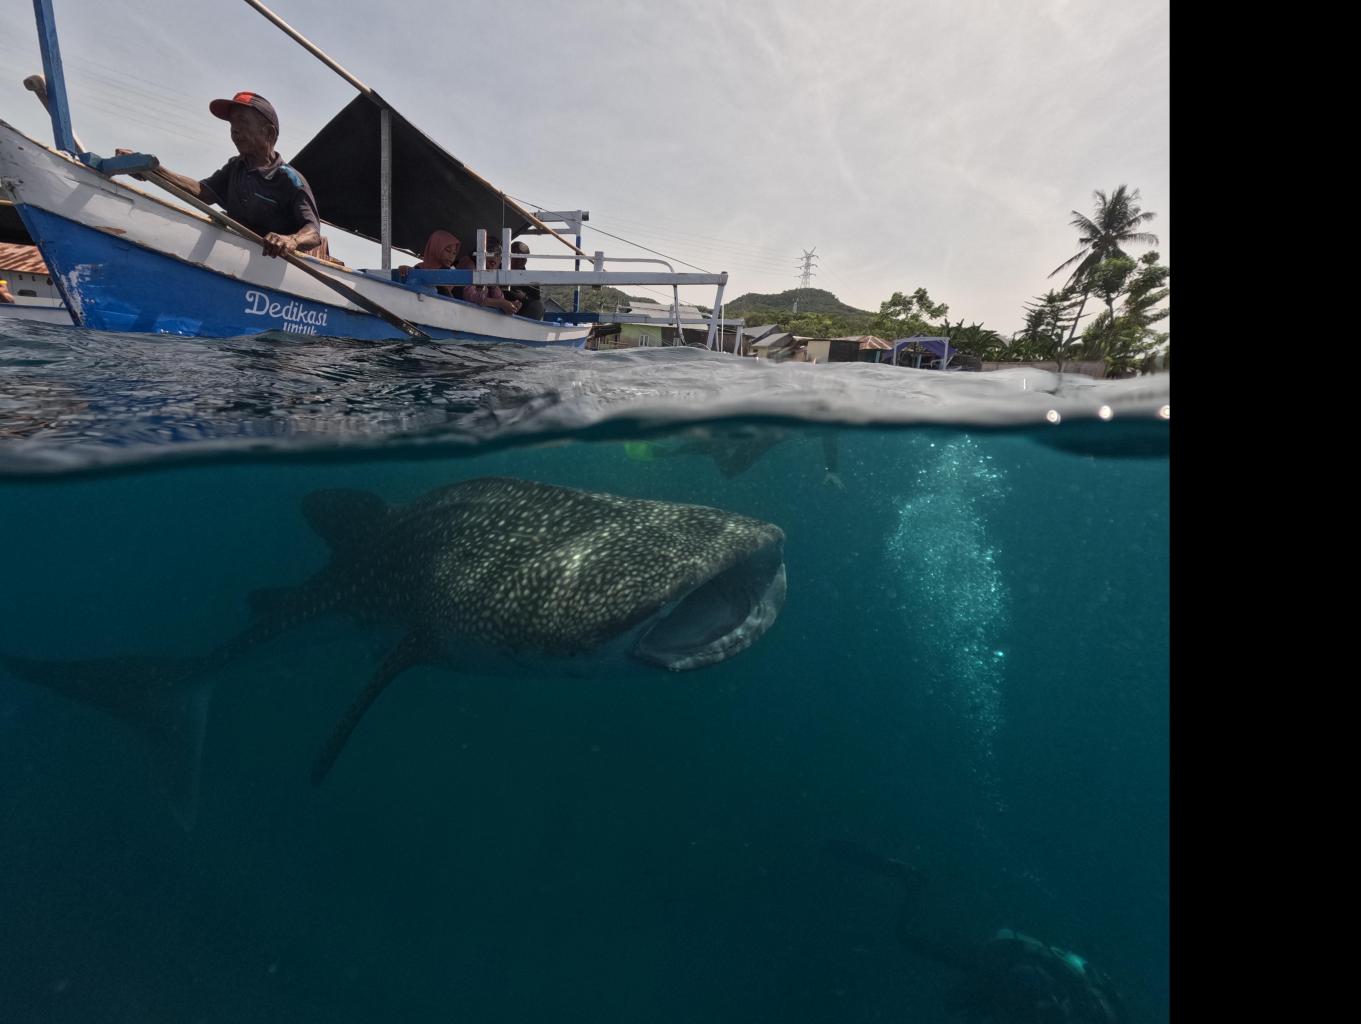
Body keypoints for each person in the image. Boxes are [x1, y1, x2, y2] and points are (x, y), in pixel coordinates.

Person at [825, 840, 1129, 1023]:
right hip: (998, 964)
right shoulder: (1068, 1007)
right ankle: (911, 880)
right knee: (910, 937)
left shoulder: (1089, 1004)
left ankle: (926, 887)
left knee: (931, 945)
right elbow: (1013, 986)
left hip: (1007, 963)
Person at [114, 91, 322, 260]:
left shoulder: (290, 180)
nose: (235, 131)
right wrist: (152, 169)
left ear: (268, 133)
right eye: (232, 124)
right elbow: (203, 192)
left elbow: (313, 233)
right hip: (231, 256)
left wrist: (291, 240)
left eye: (242, 122)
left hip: (270, 264)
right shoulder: (236, 167)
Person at [455, 240, 520, 315]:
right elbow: (470, 297)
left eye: (498, 254)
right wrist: (501, 303)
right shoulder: (469, 264)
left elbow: (499, 298)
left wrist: (510, 305)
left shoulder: (490, 273)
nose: (494, 256)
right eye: (490, 251)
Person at [397, 230, 461, 296]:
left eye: (454, 253)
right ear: (435, 247)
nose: (451, 256)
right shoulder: (418, 269)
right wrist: (407, 271)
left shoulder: (451, 274)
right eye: (448, 250)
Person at [504, 240, 545, 319]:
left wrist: (524, 297)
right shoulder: (497, 270)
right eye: (516, 255)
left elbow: (536, 302)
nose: (519, 260)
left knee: (539, 306)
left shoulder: (531, 279)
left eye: (523, 257)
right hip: (498, 310)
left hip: (521, 315)